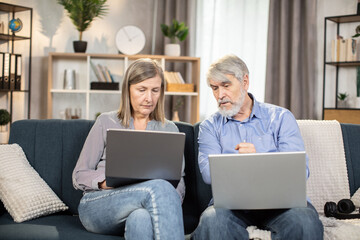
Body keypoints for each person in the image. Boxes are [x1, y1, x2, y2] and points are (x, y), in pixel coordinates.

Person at [191, 55, 323, 239]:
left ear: (245, 81)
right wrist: (245, 162)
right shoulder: (210, 126)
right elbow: (207, 173)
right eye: (215, 88)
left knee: (305, 223)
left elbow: (300, 172)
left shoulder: (281, 118)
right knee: (212, 222)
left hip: (283, 204)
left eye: (226, 85)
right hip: (231, 207)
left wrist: (257, 157)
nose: (220, 95)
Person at [72, 58, 185, 240]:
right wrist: (105, 182)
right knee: (160, 188)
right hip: (100, 204)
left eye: (155, 90)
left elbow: (178, 183)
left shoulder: (169, 129)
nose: (149, 98)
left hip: (146, 205)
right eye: (142, 90)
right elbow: (79, 175)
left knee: (140, 218)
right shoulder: (106, 121)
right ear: (128, 89)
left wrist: (166, 201)